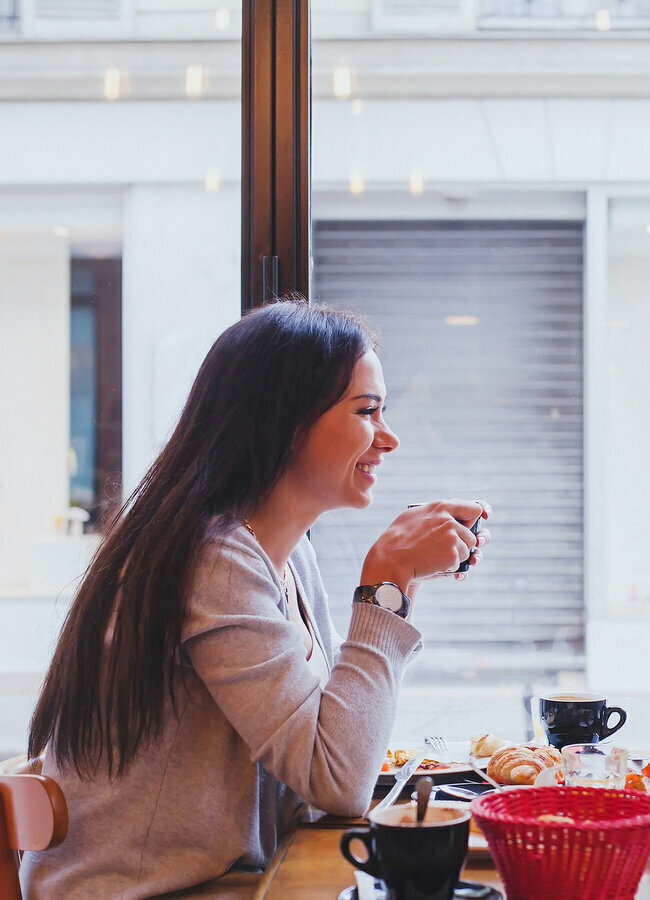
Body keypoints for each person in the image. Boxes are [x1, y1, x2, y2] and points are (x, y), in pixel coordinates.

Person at [22, 299, 490, 898]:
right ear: (285, 422)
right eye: (367, 411)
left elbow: (321, 753)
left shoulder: (287, 554)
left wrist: (401, 583)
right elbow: (336, 780)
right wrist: (386, 584)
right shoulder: (213, 559)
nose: (389, 438)